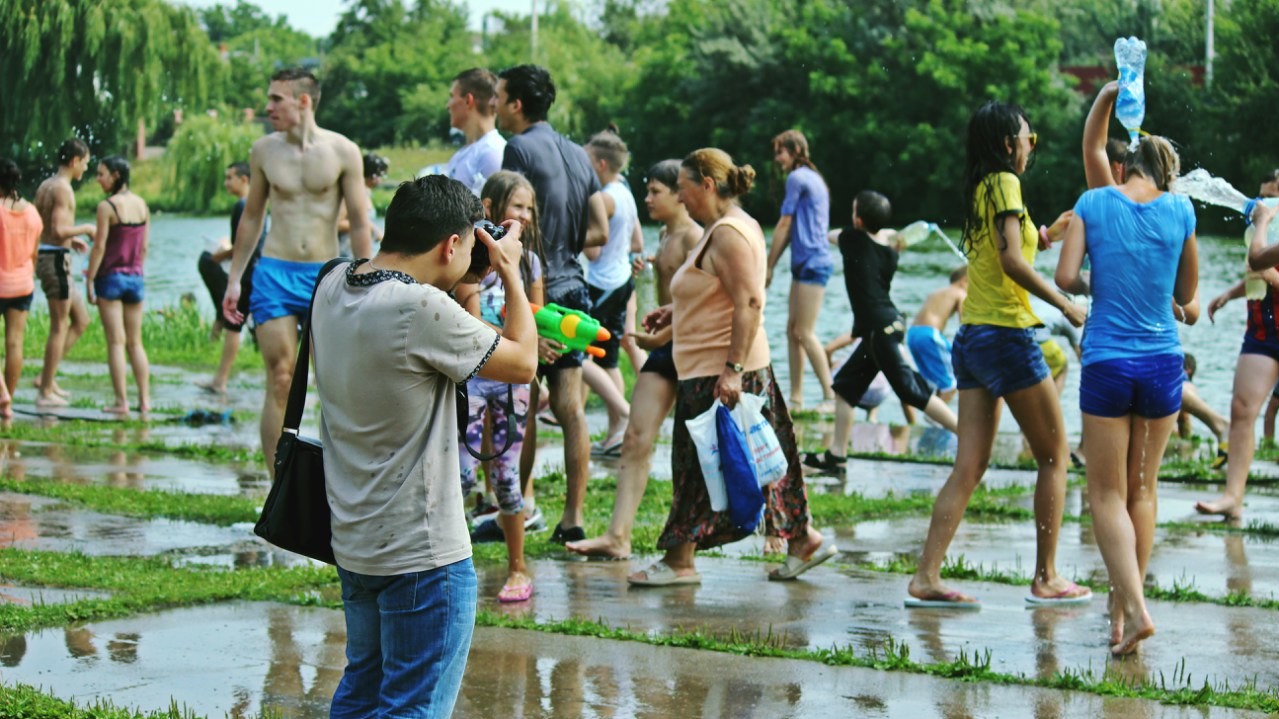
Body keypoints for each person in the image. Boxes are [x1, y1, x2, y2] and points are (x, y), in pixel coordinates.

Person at [313, 175, 537, 718]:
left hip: (358, 543)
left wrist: (468, 275)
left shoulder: (334, 281)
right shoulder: (418, 309)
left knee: (362, 692)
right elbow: (524, 361)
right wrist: (508, 268)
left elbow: (414, 311)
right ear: (451, 245)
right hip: (423, 554)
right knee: (412, 708)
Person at [907, 101, 1089, 607]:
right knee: (1055, 457)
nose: (1033, 146)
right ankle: (1047, 577)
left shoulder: (984, 185)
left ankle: (926, 577)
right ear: (1010, 143)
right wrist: (1065, 304)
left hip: (972, 340)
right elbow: (1010, 262)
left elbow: (1001, 253)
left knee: (969, 464)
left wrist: (1046, 234)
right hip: (1007, 337)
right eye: (1029, 138)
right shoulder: (1007, 183)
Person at [627, 148, 833, 586]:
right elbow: (718, 294)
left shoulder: (728, 233)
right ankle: (801, 540)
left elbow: (750, 302)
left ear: (705, 183)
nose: (680, 198)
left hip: (722, 369)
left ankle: (681, 561)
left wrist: (733, 370)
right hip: (709, 365)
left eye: (683, 188)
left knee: (707, 463)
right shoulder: (724, 229)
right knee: (744, 462)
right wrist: (673, 311)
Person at [1056, 133, 1197, 656]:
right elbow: (1185, 295)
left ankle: (1133, 610)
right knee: (1143, 490)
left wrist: (1104, 278)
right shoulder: (1181, 211)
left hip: (1108, 362)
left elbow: (1066, 277)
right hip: (1164, 362)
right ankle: (1120, 615)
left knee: (1106, 494)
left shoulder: (1092, 203)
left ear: (1123, 167)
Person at [221, 67, 372, 475]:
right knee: (282, 378)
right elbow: (251, 218)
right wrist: (235, 279)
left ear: (303, 101)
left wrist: (373, 280)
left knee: (335, 384)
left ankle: (339, 484)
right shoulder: (263, 151)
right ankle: (279, 492)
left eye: (276, 99)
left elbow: (359, 221)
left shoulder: (343, 151)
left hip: (325, 275)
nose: (267, 107)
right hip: (274, 272)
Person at [567, 159, 702, 559]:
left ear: (681, 194)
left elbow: (706, 305)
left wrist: (661, 332)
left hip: (693, 352)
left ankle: (797, 530)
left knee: (706, 448)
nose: (647, 198)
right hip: (666, 348)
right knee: (634, 439)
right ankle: (618, 537)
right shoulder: (665, 234)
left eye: (655, 192)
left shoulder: (695, 238)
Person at [496, 64, 608, 543]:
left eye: (500, 97)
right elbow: (600, 230)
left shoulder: (517, 148)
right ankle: (573, 517)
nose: (496, 104)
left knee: (522, 403)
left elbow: (511, 221)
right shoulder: (578, 153)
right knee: (571, 409)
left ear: (517, 104)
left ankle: (519, 510)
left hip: (533, 287)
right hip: (574, 292)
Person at [802, 191, 958, 474]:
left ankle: (968, 436)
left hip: (879, 329)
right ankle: (837, 455)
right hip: (886, 326)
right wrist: (886, 234)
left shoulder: (853, 241)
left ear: (858, 220)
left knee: (913, 392)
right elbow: (880, 236)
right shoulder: (890, 252)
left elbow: (831, 235)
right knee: (846, 390)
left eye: (853, 212)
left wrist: (872, 232)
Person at [454, 171, 546, 602]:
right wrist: (516, 339)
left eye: (529, 209)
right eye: (516, 208)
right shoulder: (471, 261)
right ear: (490, 210)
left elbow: (537, 319)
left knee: (508, 478)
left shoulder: (530, 262)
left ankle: (518, 567)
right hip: (473, 381)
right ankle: (454, 566)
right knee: (460, 476)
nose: (524, 216)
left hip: (511, 386)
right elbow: (472, 321)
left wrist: (540, 354)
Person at [1200, 194, 1279, 516]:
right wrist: (1231, 294)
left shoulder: (1266, 225)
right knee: (1242, 408)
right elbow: (1258, 272)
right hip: (1264, 328)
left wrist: (1261, 223)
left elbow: (1258, 260)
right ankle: (1233, 497)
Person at [764, 130, 836, 413]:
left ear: (794, 150)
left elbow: (784, 224)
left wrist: (768, 266)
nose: (777, 159)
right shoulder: (812, 177)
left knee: (804, 331)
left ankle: (830, 397)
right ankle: (795, 399)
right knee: (792, 330)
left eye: (780, 152)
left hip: (813, 262)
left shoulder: (797, 178)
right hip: (806, 262)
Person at [582, 129, 640, 455]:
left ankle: (625, 413)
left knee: (574, 353)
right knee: (609, 360)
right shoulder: (626, 193)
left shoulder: (603, 197)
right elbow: (634, 242)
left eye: (587, 161)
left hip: (602, 282)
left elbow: (592, 250)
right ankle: (616, 433)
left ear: (601, 164)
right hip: (622, 281)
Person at [85, 157, 151, 416]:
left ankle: (121, 402)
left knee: (116, 342)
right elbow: (144, 247)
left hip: (110, 278)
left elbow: (99, 246)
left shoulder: (107, 206)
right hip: (136, 278)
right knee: (136, 343)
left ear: (115, 176)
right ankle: (145, 401)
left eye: (101, 174)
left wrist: (90, 278)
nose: (98, 179)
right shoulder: (142, 205)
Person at [33, 138, 94, 407]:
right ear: (74, 161)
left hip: (50, 254)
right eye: (85, 163)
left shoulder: (46, 184)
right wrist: (86, 229)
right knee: (59, 326)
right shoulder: (63, 189)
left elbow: (44, 227)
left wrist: (72, 241)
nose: (86, 168)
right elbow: (58, 230)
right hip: (56, 261)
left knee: (81, 320)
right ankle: (45, 390)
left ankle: (47, 378)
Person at [196, 162, 266, 395]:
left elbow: (241, 246)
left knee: (234, 325)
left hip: (246, 273)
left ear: (245, 180)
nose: (226, 183)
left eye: (230, 178)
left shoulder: (242, 206)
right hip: (258, 270)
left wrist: (216, 258)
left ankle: (220, 381)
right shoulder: (259, 205)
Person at [0, 159, 43, 418]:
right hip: (22, 284)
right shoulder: (33, 213)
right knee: (15, 343)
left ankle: (2, 391)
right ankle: (8, 404)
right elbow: (34, 255)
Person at [905, 265, 968, 404]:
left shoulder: (937, 292)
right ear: (964, 281)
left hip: (913, 334)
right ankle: (936, 418)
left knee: (937, 380)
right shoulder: (960, 293)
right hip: (929, 334)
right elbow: (965, 322)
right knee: (953, 381)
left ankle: (935, 413)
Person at [445, 67, 506, 195]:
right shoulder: (466, 152)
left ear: (468, 100)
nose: (448, 105)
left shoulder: (492, 153)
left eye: (452, 96)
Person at [336, 153, 387, 258]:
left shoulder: (365, 192)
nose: (382, 180)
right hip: (346, 254)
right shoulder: (353, 193)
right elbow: (338, 224)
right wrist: (369, 227)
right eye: (381, 175)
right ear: (374, 176)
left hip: (361, 253)